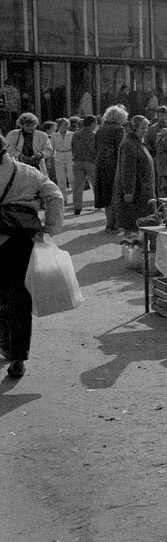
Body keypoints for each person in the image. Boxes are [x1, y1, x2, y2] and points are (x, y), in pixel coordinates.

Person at [0, 132, 65, 379]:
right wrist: (50, 228)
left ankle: (4, 343)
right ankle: (17, 357)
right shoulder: (27, 172)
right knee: (18, 300)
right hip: (19, 242)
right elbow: (55, 196)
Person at [114, 115, 155, 235]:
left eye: (146, 127)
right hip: (136, 191)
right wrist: (128, 192)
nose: (145, 130)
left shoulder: (137, 142)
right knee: (133, 224)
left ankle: (139, 248)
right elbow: (128, 169)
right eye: (143, 127)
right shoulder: (129, 144)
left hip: (142, 189)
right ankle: (133, 249)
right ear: (134, 128)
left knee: (142, 224)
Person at [94, 105, 128, 233]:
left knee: (106, 194)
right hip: (114, 164)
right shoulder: (118, 130)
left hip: (101, 164)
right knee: (116, 193)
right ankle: (116, 223)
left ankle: (109, 223)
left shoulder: (100, 130)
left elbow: (96, 147)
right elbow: (121, 149)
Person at [5, 112, 53, 177]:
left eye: (33, 125)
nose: (30, 128)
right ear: (22, 125)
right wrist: (21, 156)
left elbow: (49, 149)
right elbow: (8, 149)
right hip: (19, 165)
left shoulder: (42, 135)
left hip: (37, 165)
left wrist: (41, 154)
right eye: (27, 126)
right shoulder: (13, 134)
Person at [70, 115, 98, 216]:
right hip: (90, 161)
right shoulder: (93, 135)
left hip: (77, 161)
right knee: (95, 183)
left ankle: (77, 208)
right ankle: (98, 203)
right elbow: (94, 149)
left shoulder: (75, 134)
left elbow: (72, 147)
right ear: (93, 123)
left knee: (78, 186)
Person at [50, 118, 73, 195]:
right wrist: (50, 160)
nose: (67, 127)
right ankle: (63, 197)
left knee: (72, 177)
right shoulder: (54, 136)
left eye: (68, 125)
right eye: (65, 125)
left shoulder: (71, 135)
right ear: (59, 126)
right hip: (59, 155)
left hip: (70, 155)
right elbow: (51, 148)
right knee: (60, 178)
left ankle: (75, 197)